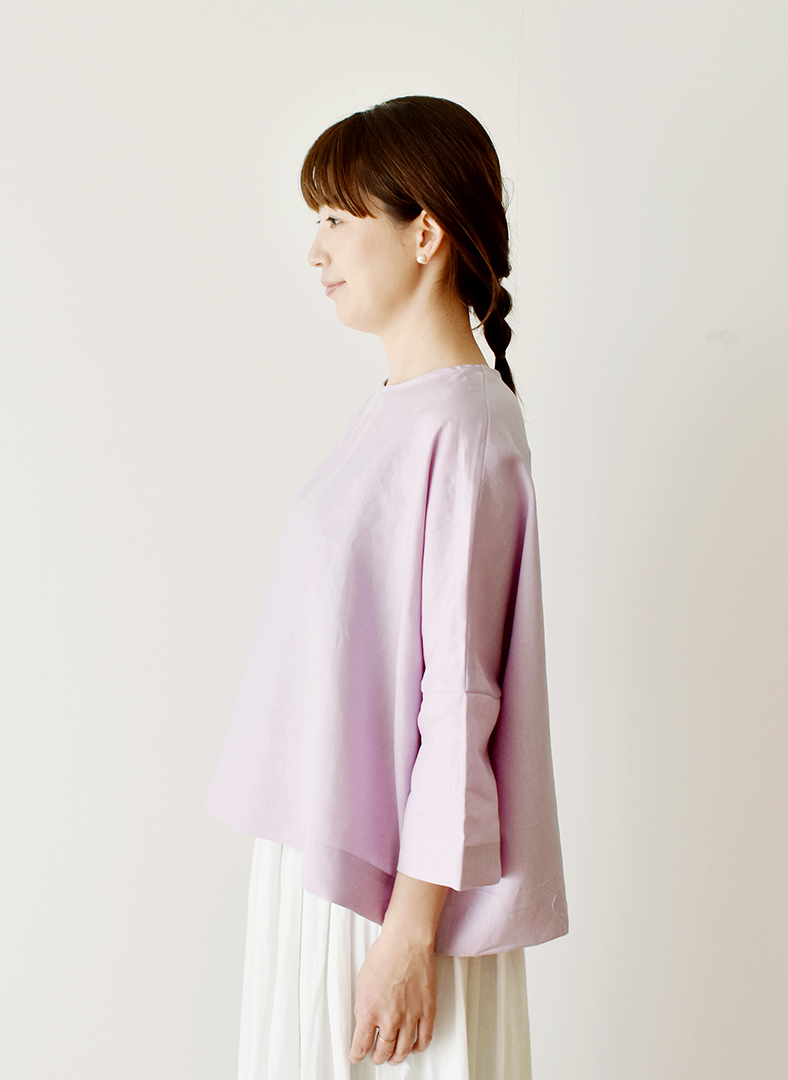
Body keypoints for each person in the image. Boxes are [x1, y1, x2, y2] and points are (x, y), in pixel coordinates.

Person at [207, 96, 567, 1079]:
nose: (315, 250)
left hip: (392, 894)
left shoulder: (464, 429)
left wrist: (410, 936)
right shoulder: (401, 412)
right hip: (329, 858)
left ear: (425, 234)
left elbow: (461, 698)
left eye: (337, 217)